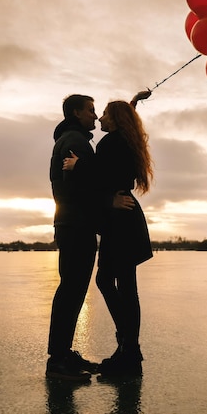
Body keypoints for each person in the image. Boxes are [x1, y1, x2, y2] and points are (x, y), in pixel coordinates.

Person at [63, 90, 153, 376]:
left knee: (117, 284)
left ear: (114, 120)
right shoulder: (123, 139)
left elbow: (103, 173)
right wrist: (133, 103)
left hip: (123, 220)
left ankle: (129, 352)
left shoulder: (112, 142)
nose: (100, 116)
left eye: (104, 113)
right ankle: (128, 350)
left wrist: (79, 164)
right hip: (123, 218)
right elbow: (110, 170)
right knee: (121, 286)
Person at [47, 94, 134, 381]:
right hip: (76, 226)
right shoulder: (75, 141)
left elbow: (94, 176)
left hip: (74, 224)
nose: (95, 116)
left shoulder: (74, 138)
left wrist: (131, 105)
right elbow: (80, 186)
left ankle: (63, 353)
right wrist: (109, 201)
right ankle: (58, 361)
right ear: (76, 112)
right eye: (90, 110)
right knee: (71, 290)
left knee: (72, 290)